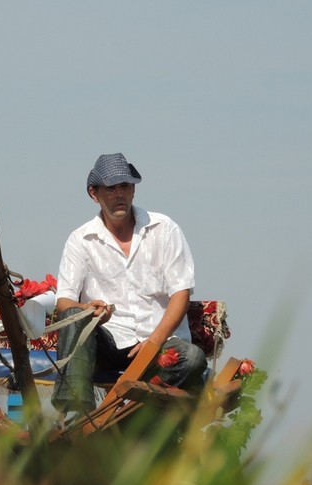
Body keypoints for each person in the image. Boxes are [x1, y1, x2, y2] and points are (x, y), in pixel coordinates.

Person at [51, 153, 207, 417]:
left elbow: (181, 294)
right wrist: (90, 309)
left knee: (192, 359)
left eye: (125, 186)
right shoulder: (80, 240)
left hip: (159, 345)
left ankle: (136, 410)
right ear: (94, 194)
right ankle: (79, 412)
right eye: (110, 188)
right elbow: (63, 302)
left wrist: (154, 342)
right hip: (110, 343)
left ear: (133, 190)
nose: (118, 194)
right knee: (74, 315)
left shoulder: (163, 229)